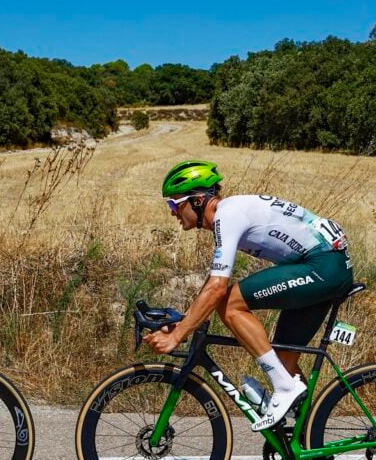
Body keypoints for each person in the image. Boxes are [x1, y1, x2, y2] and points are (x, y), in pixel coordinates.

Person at [144, 160, 354, 431]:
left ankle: (284, 387)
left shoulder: (227, 215)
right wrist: (184, 322)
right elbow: (211, 286)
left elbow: (218, 290)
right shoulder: (228, 214)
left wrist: (177, 336)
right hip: (326, 266)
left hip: (323, 265)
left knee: (231, 304)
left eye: (174, 204)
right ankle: (304, 453)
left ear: (196, 201)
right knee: (284, 361)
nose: (172, 213)